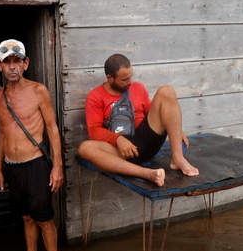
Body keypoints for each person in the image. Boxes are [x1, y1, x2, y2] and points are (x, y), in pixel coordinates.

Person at [0, 39, 64, 251]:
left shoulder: (38, 91)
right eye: (7, 62)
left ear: (26, 63)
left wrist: (57, 166)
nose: (12, 67)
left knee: (44, 220)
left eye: (17, 61)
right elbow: (2, 134)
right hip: (12, 168)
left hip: (35, 165)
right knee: (26, 218)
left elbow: (52, 128)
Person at [78, 54, 199, 187]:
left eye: (131, 76)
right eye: (124, 79)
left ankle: (178, 158)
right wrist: (118, 139)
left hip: (146, 140)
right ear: (110, 78)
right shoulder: (95, 97)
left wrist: (176, 130)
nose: (130, 82)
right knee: (85, 148)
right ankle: (148, 174)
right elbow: (94, 131)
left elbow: (152, 111)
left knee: (167, 91)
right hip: (121, 152)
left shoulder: (138, 88)